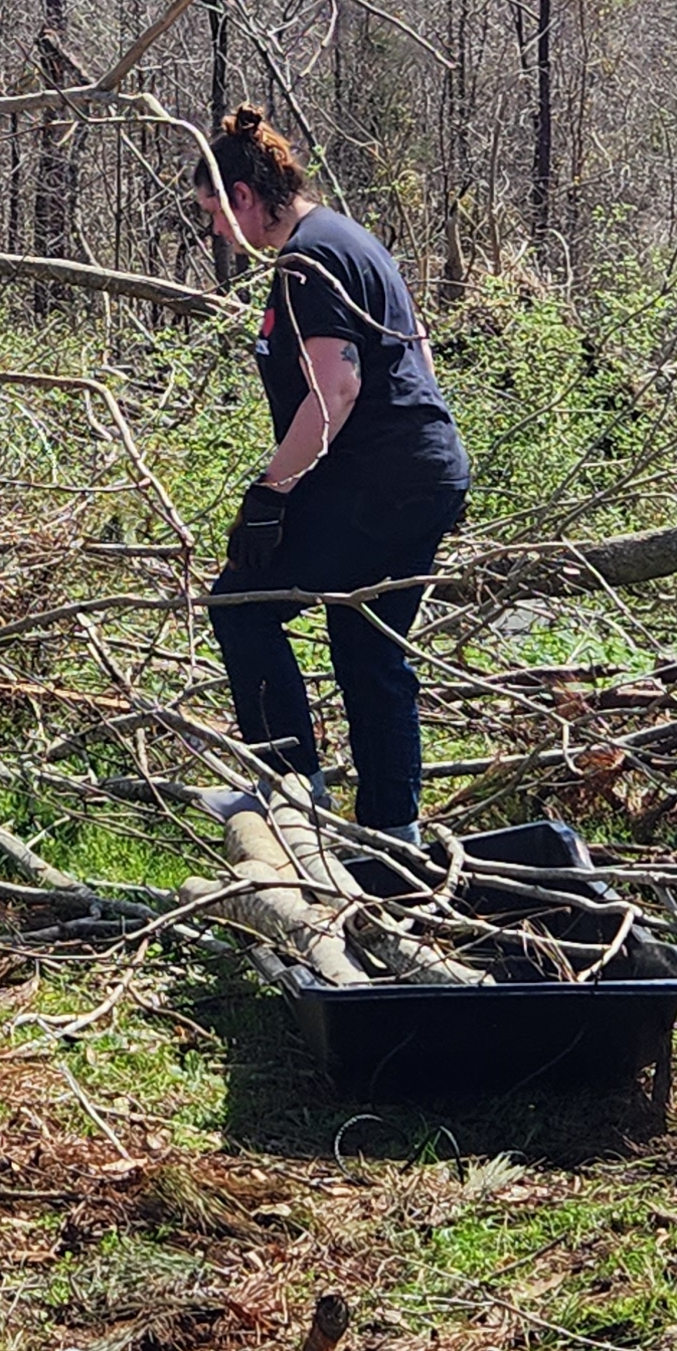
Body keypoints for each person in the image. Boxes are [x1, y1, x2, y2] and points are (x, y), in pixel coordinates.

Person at [195, 108, 469, 844]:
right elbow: (419, 352)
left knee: (242, 603)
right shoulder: (350, 239)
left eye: (215, 213)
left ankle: (287, 791)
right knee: (368, 645)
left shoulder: (307, 262)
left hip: (382, 479)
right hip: (421, 470)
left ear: (245, 196)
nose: (217, 231)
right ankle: (393, 836)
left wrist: (271, 494)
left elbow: (335, 391)